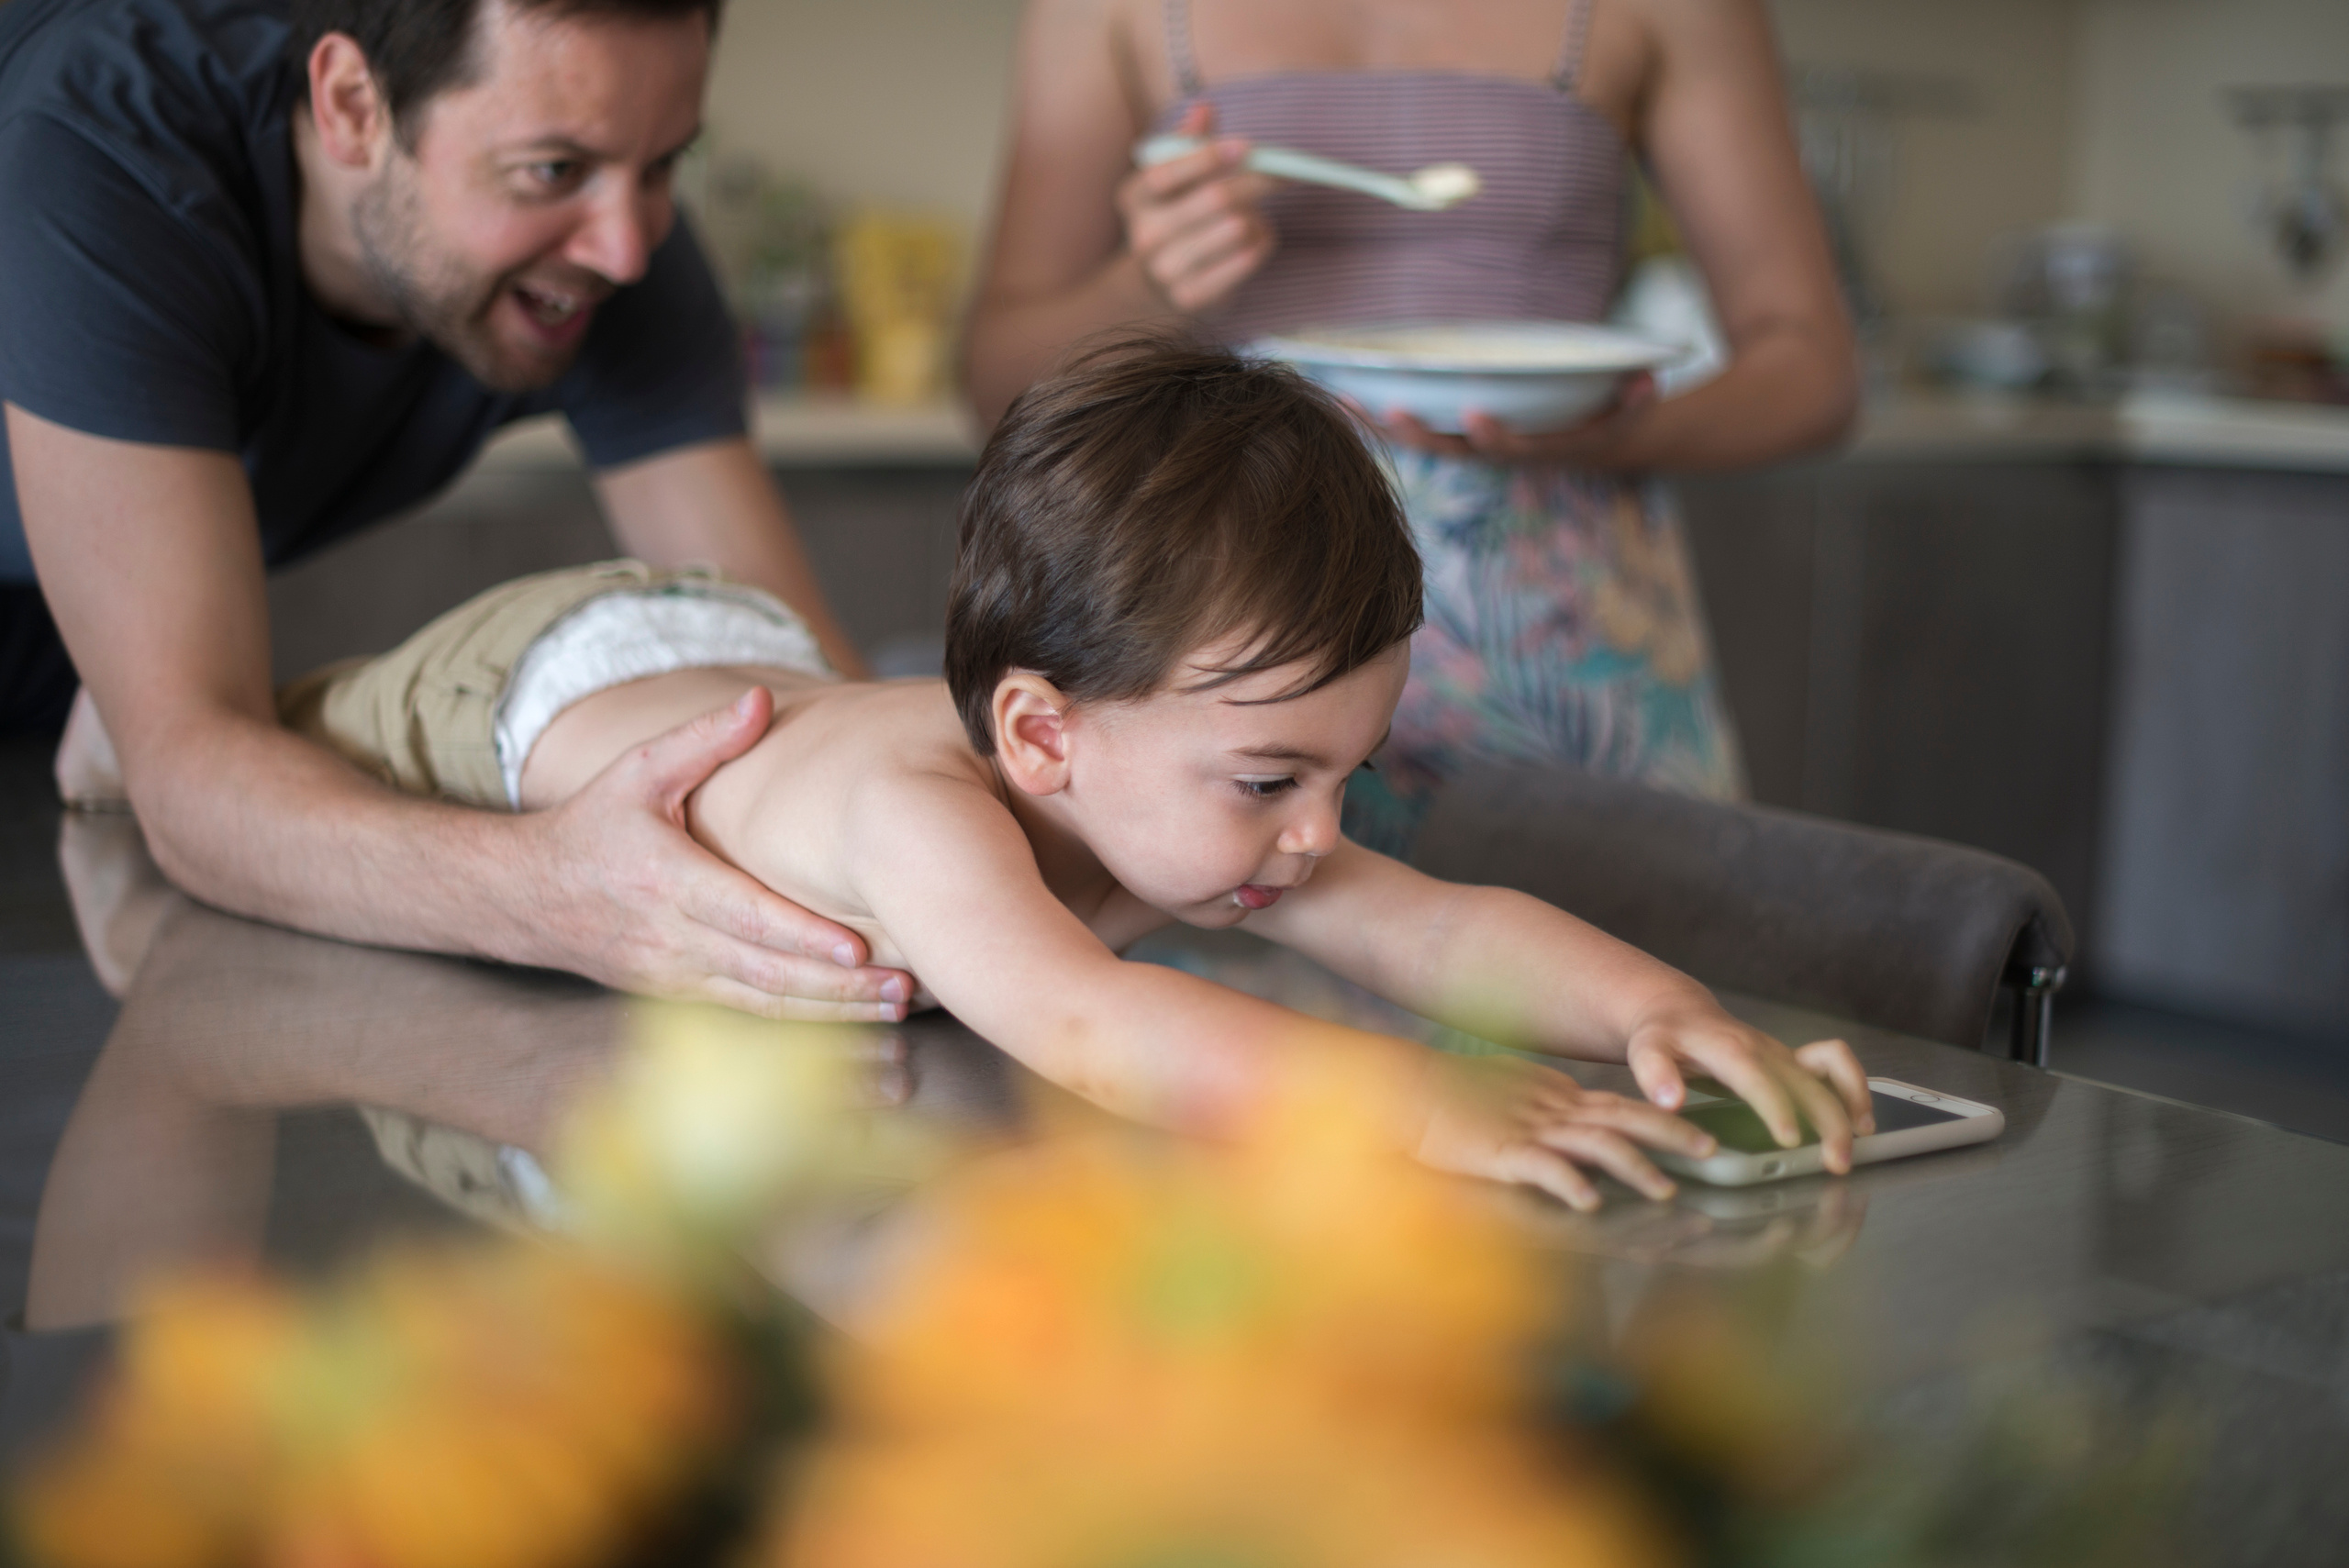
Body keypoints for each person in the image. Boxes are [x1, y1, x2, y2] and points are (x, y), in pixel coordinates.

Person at [82, 339, 1869, 1209]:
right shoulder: (922, 820)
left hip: (758, 661)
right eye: (1270, 778)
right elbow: (1091, 1026)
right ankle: (110, 727)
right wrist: (1402, 1098)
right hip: (544, 685)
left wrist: (1661, 1012)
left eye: (1343, 769)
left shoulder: (1175, 783)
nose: (1319, 829)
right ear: (1041, 738)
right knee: (295, 739)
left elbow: (1436, 925)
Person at [0, 0, 911, 1018]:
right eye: (551, 171)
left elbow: (798, 671)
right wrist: (548, 891)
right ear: (353, 107)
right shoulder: (109, 162)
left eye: (664, 165)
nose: (626, 250)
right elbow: (192, 783)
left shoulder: (603, 248)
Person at [961, 0, 1858, 852]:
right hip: (1229, 626)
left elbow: (1814, 372)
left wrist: (1610, 436)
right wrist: (1146, 287)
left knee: (1616, 946)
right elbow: (994, 384)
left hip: (1563, 633)